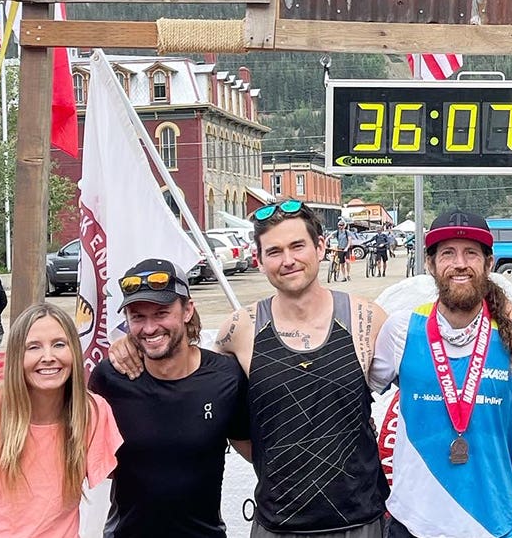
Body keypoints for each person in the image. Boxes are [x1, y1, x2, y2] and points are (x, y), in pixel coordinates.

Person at [110, 199, 389, 538]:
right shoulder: (239, 329)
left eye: (297, 246)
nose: (287, 261)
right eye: (274, 251)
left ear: (321, 246)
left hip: (361, 522)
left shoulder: (369, 319)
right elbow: (191, 372)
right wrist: (129, 344)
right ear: (259, 260)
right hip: (277, 523)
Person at [370, 209, 512, 538]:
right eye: (448, 253)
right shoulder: (402, 330)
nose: (460, 263)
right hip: (413, 522)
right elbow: (355, 398)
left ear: (489, 264)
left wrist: (490, 413)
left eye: (471, 253)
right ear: (430, 264)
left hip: (490, 523)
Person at [89, 258, 251, 537]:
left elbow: (256, 454)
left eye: (161, 313)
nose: (150, 328)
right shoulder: (110, 378)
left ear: (188, 310)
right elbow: (85, 458)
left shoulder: (226, 378)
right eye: (138, 317)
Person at [0, 303, 122, 537]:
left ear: (74, 350)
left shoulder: (93, 414)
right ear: (16, 357)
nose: (48, 357)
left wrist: (132, 346)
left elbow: (138, 472)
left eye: (59, 344)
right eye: (33, 347)